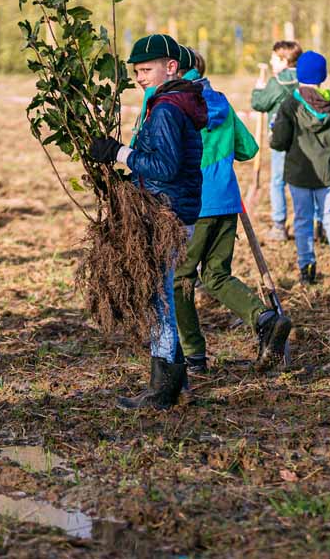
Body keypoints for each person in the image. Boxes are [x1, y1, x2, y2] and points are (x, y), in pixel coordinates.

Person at [89, 34, 207, 410]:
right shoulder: (170, 102)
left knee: (159, 300)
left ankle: (160, 391)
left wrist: (120, 153)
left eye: (146, 70)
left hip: (167, 214)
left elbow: (165, 167)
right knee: (162, 295)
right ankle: (177, 385)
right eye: (136, 71)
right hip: (172, 209)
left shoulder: (169, 109)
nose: (139, 77)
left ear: (170, 67)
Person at [175, 49, 293, 372]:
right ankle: (264, 318)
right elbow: (249, 149)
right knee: (215, 275)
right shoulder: (221, 102)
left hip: (194, 202)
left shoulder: (178, 103)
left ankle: (193, 354)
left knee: (181, 277)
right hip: (227, 200)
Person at [269, 51, 330, 286]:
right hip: (326, 175)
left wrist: (274, 133)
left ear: (299, 74)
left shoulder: (290, 104)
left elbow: (279, 142)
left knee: (302, 220)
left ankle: (307, 268)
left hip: (299, 174)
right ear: (323, 75)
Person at [251, 40, 324, 242]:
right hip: (307, 142)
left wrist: (258, 89)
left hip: (282, 141)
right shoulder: (308, 80)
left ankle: (278, 226)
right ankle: (318, 224)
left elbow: (259, 103)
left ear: (284, 60)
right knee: (310, 180)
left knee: (278, 181)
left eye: (274, 58)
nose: (271, 61)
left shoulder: (277, 82)